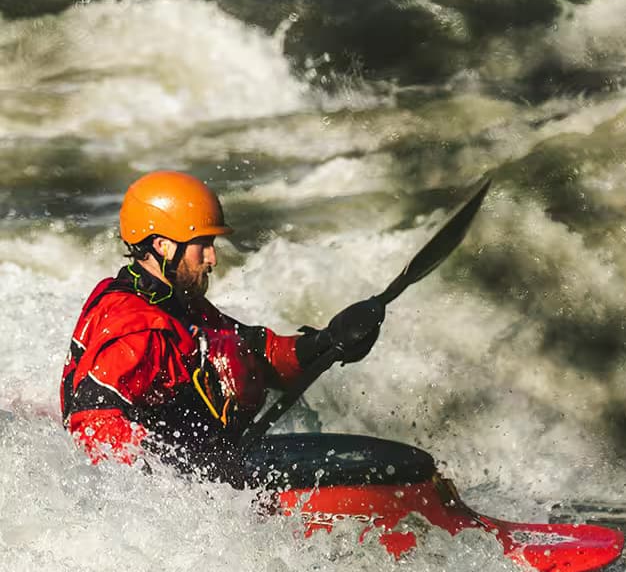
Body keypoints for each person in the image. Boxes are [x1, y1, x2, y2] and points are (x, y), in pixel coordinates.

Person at [61, 170, 384, 484]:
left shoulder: (173, 302)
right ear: (163, 246)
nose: (213, 258)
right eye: (202, 244)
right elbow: (92, 423)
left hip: (216, 469)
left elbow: (255, 350)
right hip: (189, 495)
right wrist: (179, 480)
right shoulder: (141, 330)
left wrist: (326, 343)